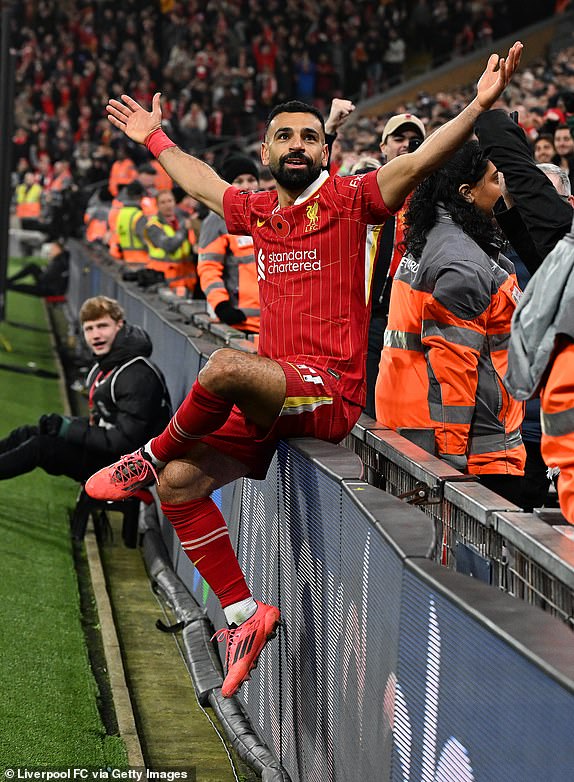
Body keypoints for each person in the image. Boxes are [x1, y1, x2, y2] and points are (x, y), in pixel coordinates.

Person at [87, 41, 523, 698]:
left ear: (327, 150)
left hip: (327, 395)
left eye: (308, 136)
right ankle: (241, 616)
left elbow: (421, 157)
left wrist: (478, 109)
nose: (296, 144)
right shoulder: (259, 210)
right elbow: (204, 182)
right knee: (179, 487)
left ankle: (147, 453)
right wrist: (156, 140)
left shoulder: (353, 198)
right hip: (275, 396)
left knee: (225, 368)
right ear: (266, 153)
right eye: (283, 136)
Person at [375, 140, 525, 504]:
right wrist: (450, 462)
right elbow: (452, 367)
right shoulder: (464, 264)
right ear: (466, 193)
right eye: (493, 179)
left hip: (412, 427)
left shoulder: (434, 238)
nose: (501, 185)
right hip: (469, 451)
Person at [0, 296, 171, 484]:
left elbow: (124, 441)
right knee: (27, 433)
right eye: (89, 329)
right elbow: (102, 424)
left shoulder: (137, 374)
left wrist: (68, 429)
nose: (95, 335)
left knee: (41, 447)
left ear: (119, 325)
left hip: (130, 467)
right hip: (110, 454)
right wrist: (63, 424)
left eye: (102, 326)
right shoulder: (107, 365)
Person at [364, 112, 426, 417]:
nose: (405, 145)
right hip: (372, 315)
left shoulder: (432, 194)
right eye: (397, 139)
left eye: (413, 140)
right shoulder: (365, 186)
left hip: (417, 317)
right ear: (383, 146)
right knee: (369, 405)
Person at [197, 155, 260, 333]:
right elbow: (208, 267)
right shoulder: (216, 220)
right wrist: (221, 306)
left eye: (251, 180)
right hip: (240, 323)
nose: (247, 186)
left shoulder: (268, 214)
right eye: (239, 181)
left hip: (274, 322)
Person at [145, 189, 197, 296]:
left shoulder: (183, 220)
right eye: (163, 202)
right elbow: (169, 246)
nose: (167, 205)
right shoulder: (153, 226)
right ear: (157, 205)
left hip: (187, 280)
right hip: (163, 283)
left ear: (174, 202)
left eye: (170, 201)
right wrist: (184, 229)